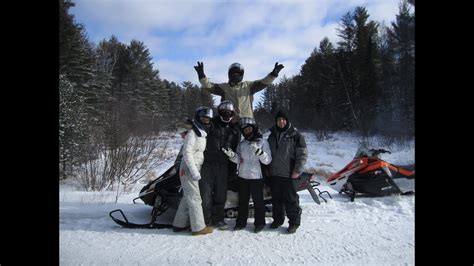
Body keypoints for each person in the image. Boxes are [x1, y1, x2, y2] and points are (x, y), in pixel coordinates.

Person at [222, 117, 271, 233]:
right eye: (244, 130)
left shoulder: (263, 142)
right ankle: (240, 223)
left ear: (253, 128)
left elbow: (268, 160)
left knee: (258, 202)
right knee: (242, 201)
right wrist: (232, 155)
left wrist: (260, 152)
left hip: (256, 177)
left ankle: (259, 223)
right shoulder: (242, 144)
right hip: (243, 176)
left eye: (249, 128)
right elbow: (239, 160)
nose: (247, 131)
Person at [172, 106, 214, 236]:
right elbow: (187, 152)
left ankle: (178, 224)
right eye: (203, 118)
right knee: (195, 198)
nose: (206, 121)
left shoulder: (200, 132)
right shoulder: (192, 133)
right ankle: (198, 228)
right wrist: (193, 170)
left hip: (195, 167)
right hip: (190, 168)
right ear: (197, 118)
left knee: (187, 197)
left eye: (208, 119)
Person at [199, 101, 241, 230]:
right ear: (219, 112)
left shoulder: (234, 129)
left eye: (229, 113)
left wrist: (233, 169)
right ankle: (204, 220)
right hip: (208, 163)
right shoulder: (212, 124)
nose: (226, 115)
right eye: (224, 112)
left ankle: (218, 219)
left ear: (232, 114)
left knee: (220, 194)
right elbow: (200, 131)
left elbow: (236, 148)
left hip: (224, 165)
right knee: (205, 194)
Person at [194, 61, 284, 118]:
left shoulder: (249, 86)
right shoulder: (224, 87)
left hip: (247, 120)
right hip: (230, 120)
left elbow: (264, 82)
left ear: (241, 74)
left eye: (238, 74)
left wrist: (273, 74)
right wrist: (202, 76)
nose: (235, 75)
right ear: (229, 74)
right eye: (233, 74)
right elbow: (209, 86)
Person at [267, 111, 308, 234]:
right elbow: (268, 154)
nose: (281, 122)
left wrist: (297, 170)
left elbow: (303, 155)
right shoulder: (272, 136)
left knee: (291, 200)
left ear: (287, 120)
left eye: (283, 119)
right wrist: (268, 170)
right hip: (275, 174)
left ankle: (294, 223)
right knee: (276, 200)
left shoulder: (296, 136)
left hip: (289, 174)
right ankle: (278, 220)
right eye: (279, 119)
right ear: (276, 121)